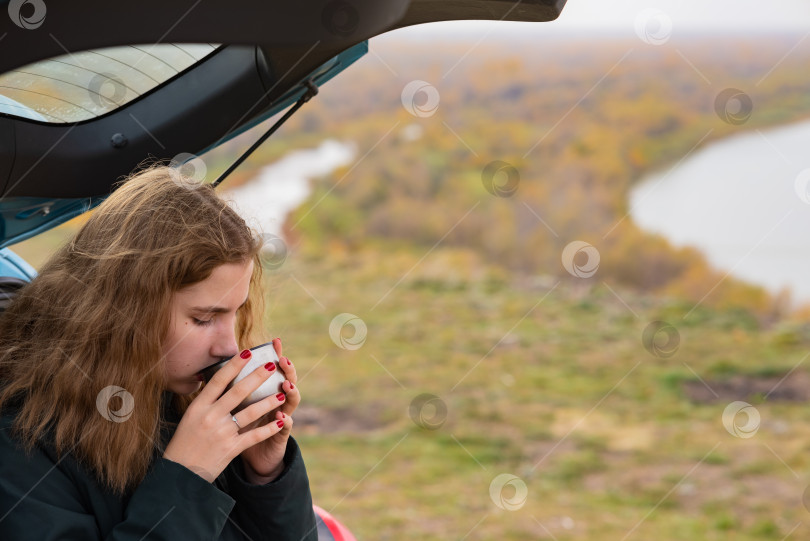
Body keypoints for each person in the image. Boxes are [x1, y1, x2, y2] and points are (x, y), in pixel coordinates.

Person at [0, 165, 317, 540]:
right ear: (125, 310)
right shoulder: (20, 440)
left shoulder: (180, 400)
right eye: (203, 319)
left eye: (236, 313)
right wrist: (188, 477)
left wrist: (264, 475)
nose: (229, 347)